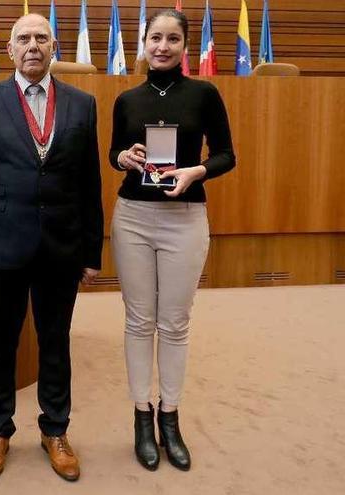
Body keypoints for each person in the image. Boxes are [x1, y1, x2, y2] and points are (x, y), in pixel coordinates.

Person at [0, 13, 103, 484]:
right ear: (10, 49)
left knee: (55, 342)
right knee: (0, 343)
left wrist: (90, 251)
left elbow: (89, 182)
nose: (33, 45)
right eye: (23, 38)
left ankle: (55, 430)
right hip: (1, 245)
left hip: (61, 246)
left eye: (42, 37)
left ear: (55, 46)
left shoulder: (83, 104)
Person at [109, 9, 235, 472]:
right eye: (155, 38)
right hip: (134, 218)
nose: (163, 46)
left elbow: (226, 154)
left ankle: (171, 417)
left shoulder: (204, 93)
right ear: (144, 43)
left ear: (185, 46)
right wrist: (125, 156)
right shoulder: (127, 98)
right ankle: (142, 417)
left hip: (185, 218)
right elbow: (113, 154)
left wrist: (195, 171)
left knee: (175, 323)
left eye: (173, 39)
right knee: (140, 322)